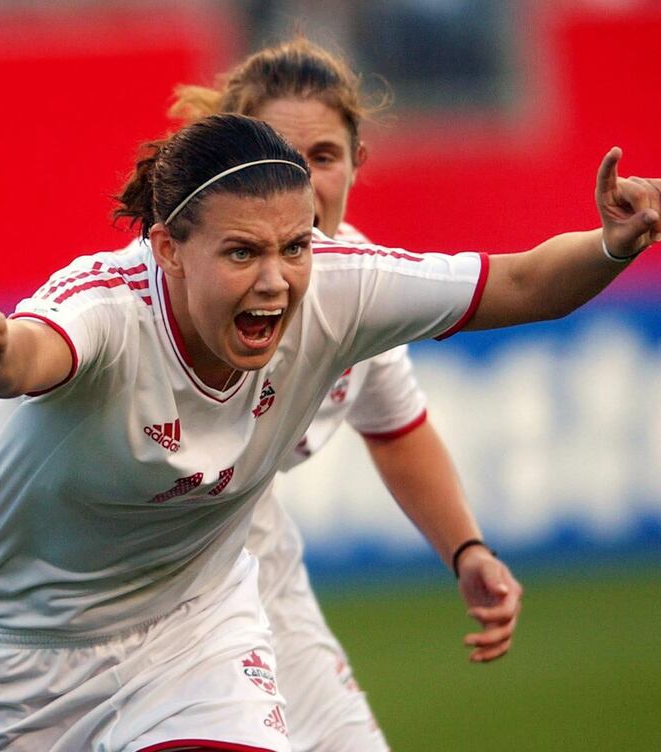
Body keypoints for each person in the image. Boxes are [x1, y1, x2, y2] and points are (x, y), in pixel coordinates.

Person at [0, 112, 658, 751]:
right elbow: (29, 355)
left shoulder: (339, 285)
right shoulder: (107, 307)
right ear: (169, 247)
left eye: (294, 247)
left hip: (188, 626)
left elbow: (523, 283)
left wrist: (613, 245)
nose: (276, 280)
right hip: (3, 660)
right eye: (242, 252)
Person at [164, 38, 521, 750]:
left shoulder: (356, 293)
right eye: (277, 155)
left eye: (323, 156)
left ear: (359, 162)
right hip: (132, 576)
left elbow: (398, 429)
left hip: (246, 552)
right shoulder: (179, 282)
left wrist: (467, 550)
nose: (301, 180)